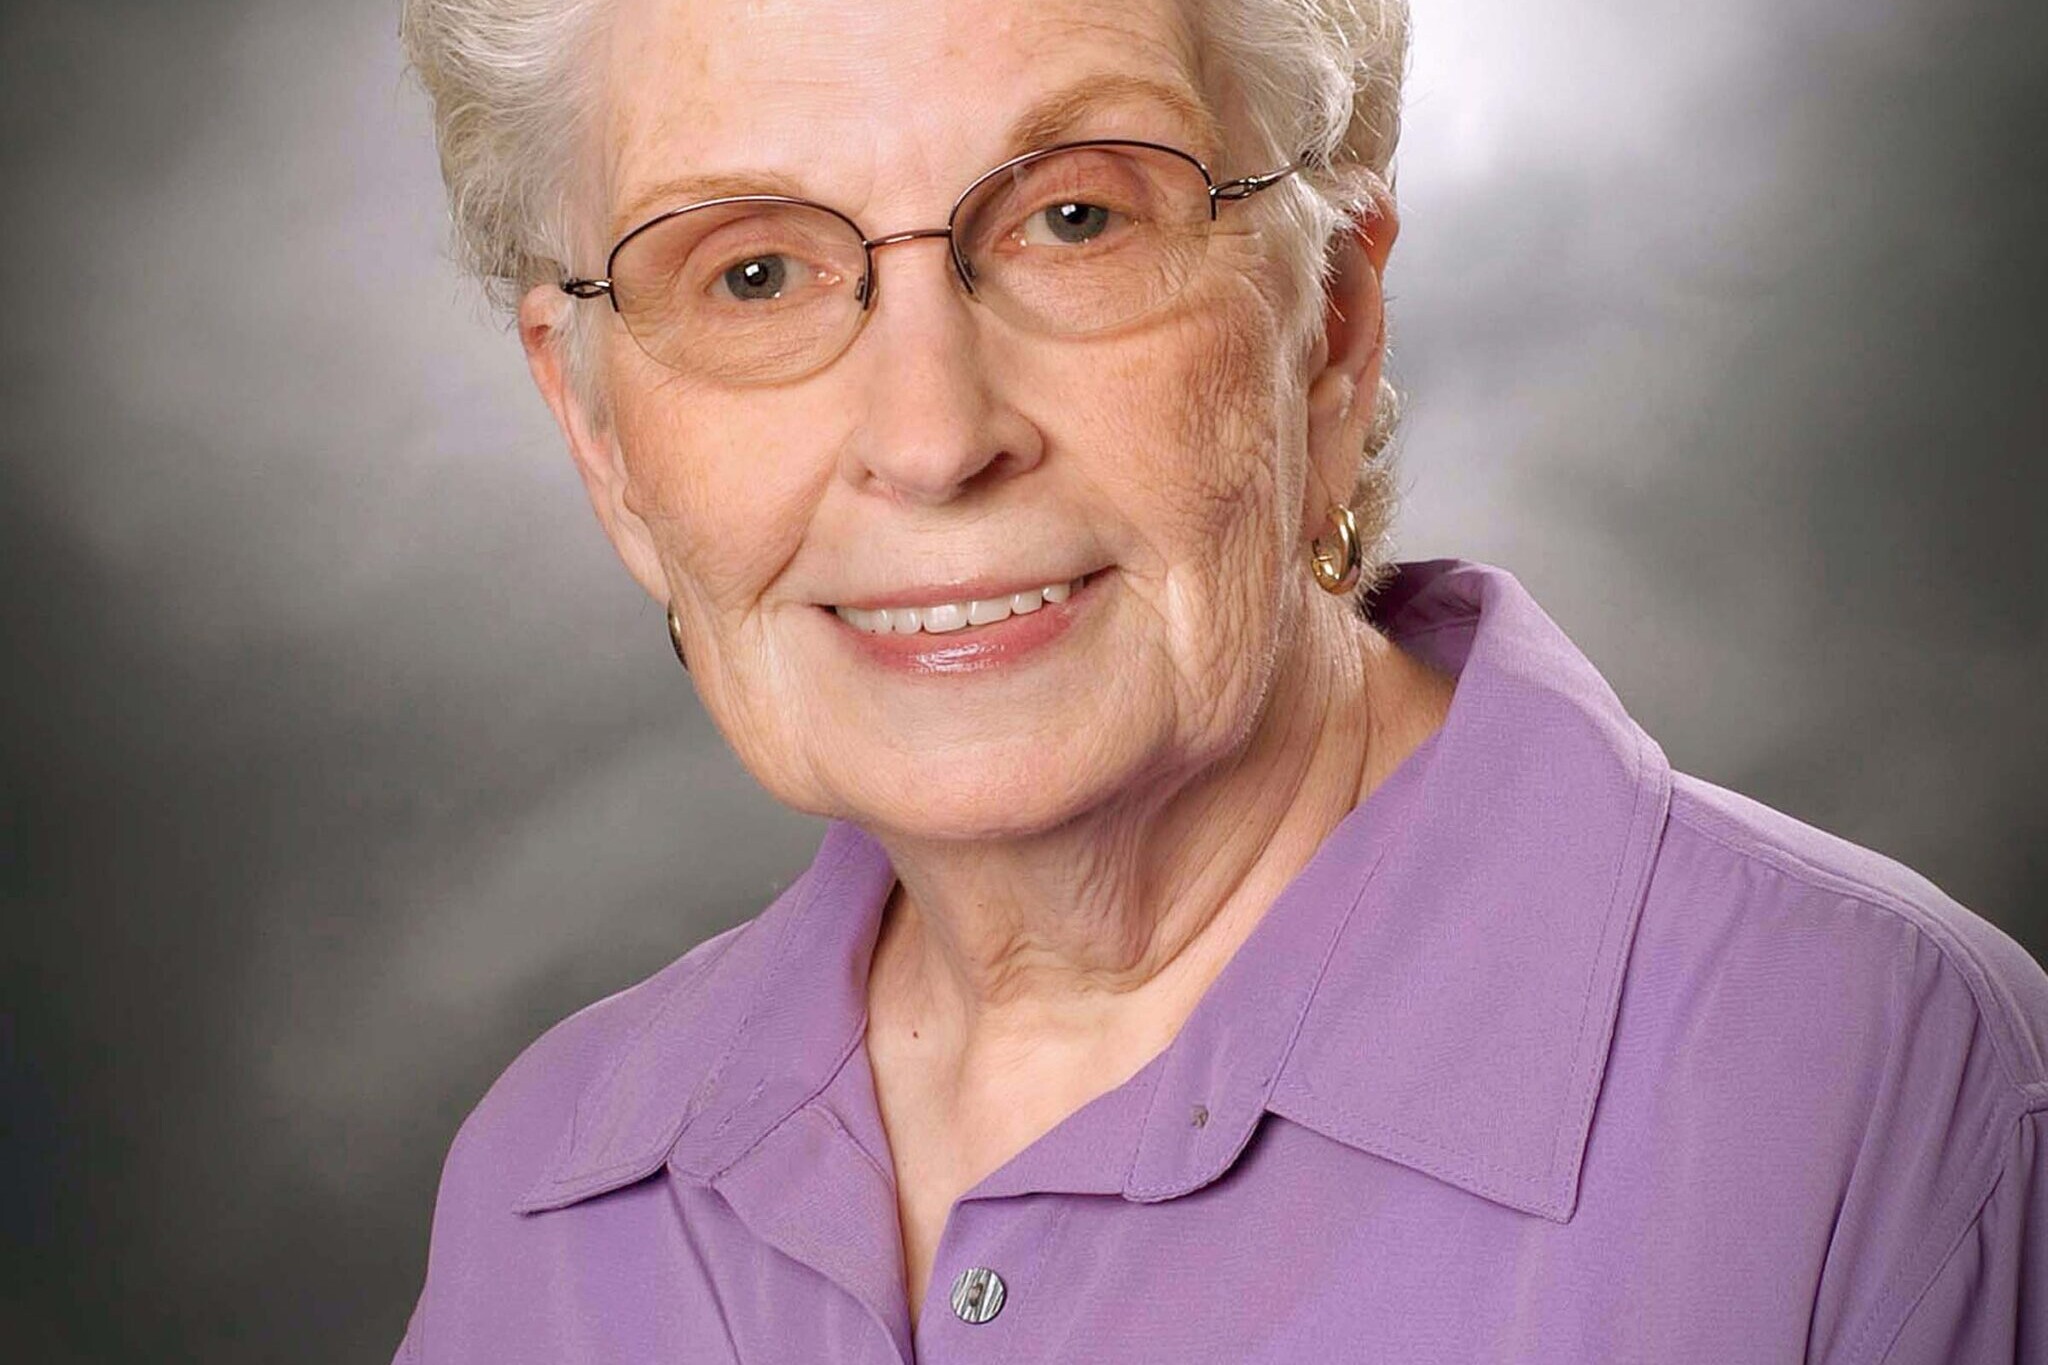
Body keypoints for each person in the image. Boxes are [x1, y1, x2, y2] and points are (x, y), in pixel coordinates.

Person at [392, 0, 2048, 1359]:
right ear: (599, 433)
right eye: (751, 272)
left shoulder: (1887, 1102)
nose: (932, 437)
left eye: (1076, 217)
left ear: (1331, 325)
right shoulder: (546, 1207)